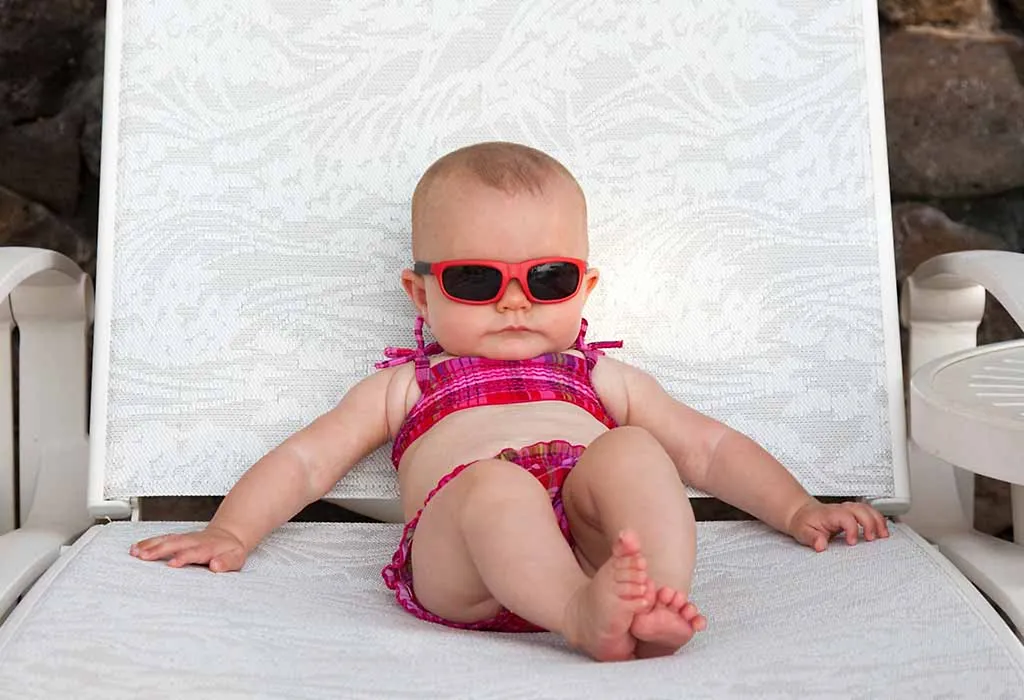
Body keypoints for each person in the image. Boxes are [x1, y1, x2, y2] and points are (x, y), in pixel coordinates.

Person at [129, 141, 890, 661]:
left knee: (634, 449)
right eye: (477, 280)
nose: (515, 302)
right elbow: (305, 463)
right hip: (466, 562)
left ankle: (651, 599)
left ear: (585, 286)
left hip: (592, 550)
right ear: (421, 294)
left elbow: (710, 450)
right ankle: (579, 616)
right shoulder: (406, 385)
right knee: (494, 483)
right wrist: (232, 530)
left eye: (549, 279)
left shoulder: (601, 378)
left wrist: (798, 507)